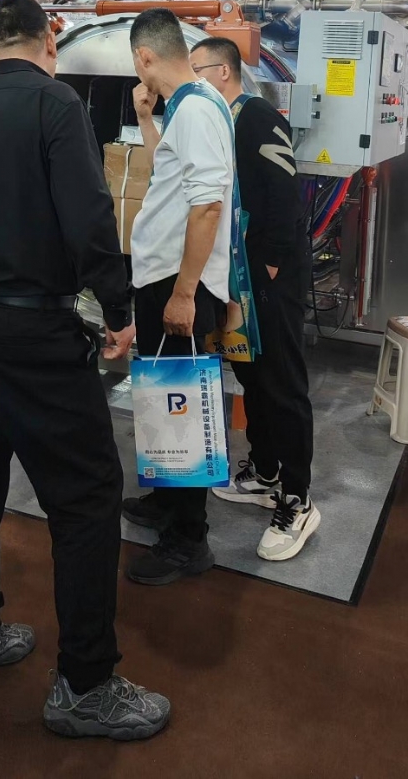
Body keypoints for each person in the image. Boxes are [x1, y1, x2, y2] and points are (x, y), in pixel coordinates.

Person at [0, 0, 169, 742]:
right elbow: (89, 218)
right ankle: (86, 684)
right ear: (47, 42)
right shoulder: (54, 105)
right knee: (86, 493)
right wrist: (118, 310)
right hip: (30, 326)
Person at [190, 37, 319, 562]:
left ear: (223, 71)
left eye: (197, 69)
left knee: (282, 381)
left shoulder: (257, 116)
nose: (191, 79)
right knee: (251, 372)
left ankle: (299, 498)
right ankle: (266, 471)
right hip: (238, 273)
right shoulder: (216, 119)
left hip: (270, 272)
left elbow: (286, 193)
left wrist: (271, 262)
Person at [122, 10, 234, 586]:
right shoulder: (190, 105)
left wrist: (186, 292)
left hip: (177, 282)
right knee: (164, 399)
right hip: (166, 278)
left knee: (179, 405)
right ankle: (169, 501)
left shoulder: (195, 109)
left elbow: (208, 205)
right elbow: (174, 174)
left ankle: (189, 540)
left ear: (145, 57)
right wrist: (146, 120)